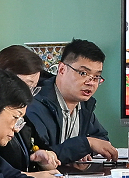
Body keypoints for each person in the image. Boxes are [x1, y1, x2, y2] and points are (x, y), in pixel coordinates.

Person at [26, 39, 116, 168]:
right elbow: (42, 155)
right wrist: (85, 144)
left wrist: (83, 151)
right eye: (83, 73)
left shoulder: (84, 104)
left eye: (96, 76)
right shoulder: (37, 103)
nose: (91, 82)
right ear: (62, 69)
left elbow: (101, 139)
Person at [0, 45, 59, 170]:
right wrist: (29, 177)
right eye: (25, 86)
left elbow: (37, 146)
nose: (29, 94)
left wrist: (41, 158)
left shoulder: (23, 116)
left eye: (33, 88)